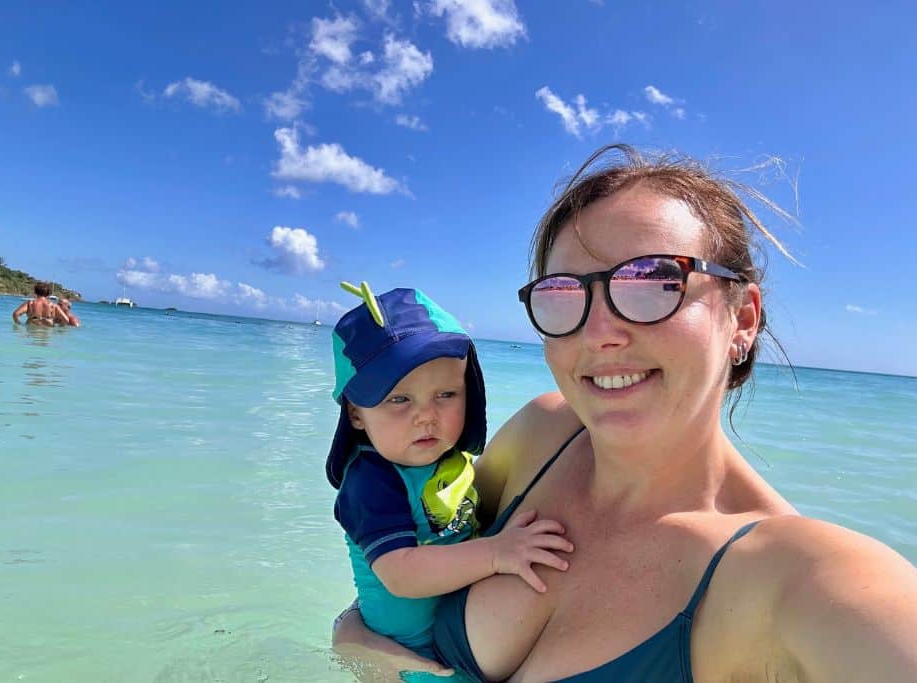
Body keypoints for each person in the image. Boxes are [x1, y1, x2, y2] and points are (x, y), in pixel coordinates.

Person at [332, 145, 917, 682]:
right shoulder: (543, 433)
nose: (600, 333)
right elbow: (414, 553)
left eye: (653, 280)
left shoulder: (795, 577)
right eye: (563, 293)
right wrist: (356, 639)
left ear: (742, 319)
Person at [328, 282, 573, 667]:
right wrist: (496, 553)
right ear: (356, 413)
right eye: (399, 399)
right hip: (408, 656)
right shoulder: (371, 482)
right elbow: (401, 574)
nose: (426, 415)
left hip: (450, 636)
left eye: (446, 395)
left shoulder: (448, 461)